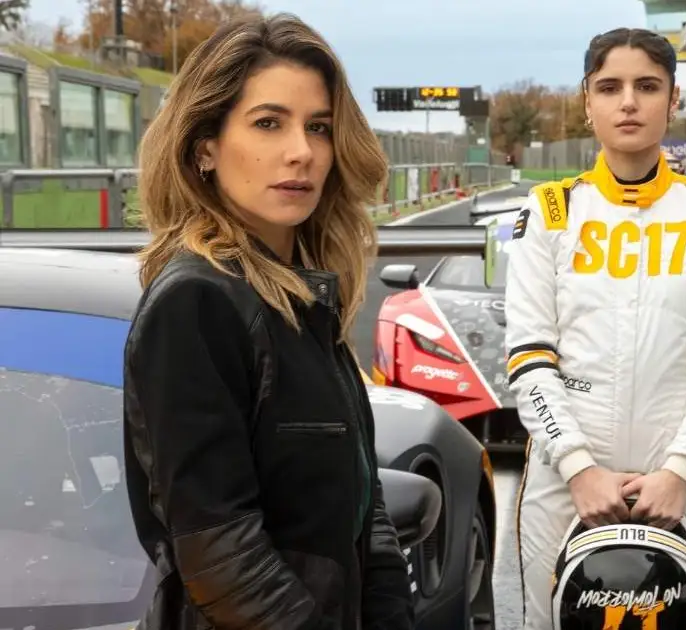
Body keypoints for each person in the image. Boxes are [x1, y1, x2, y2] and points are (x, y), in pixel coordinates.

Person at [122, 14, 413, 630]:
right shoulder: (195, 302)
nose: (301, 151)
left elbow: (363, 504)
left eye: (318, 127)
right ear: (204, 147)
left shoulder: (304, 299)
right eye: (268, 123)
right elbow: (222, 558)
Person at [504, 27, 686, 630]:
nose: (628, 103)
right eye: (609, 87)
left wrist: (681, 471)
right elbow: (529, 357)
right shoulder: (550, 211)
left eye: (647, 87)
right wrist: (577, 467)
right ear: (586, 100)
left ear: (673, 101)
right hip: (565, 480)